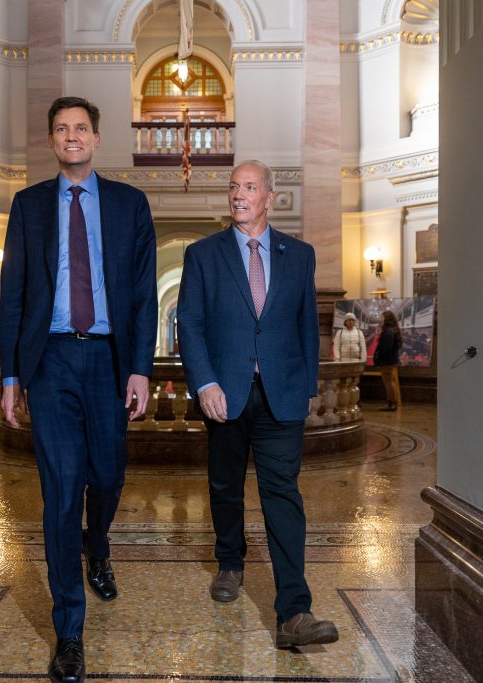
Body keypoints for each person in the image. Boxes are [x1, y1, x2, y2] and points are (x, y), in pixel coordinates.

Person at [0, 96, 157, 683]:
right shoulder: (28, 205)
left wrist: (140, 368)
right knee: (62, 490)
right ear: (51, 140)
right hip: (52, 361)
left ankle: (98, 542)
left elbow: (144, 296)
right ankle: (70, 630)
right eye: (62, 129)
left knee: (108, 476)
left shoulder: (129, 204)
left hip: (111, 361)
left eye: (81, 128)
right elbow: (12, 293)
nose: (72, 136)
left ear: (96, 138)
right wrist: (10, 376)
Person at [176, 160, 339, 649]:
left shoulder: (300, 255)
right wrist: (204, 383)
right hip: (224, 393)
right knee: (225, 485)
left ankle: (295, 609)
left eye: (249, 187)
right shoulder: (203, 255)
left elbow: (306, 326)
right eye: (233, 187)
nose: (238, 194)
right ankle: (230, 561)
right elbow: (191, 323)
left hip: (280, 395)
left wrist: (305, 386)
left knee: (282, 494)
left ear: (270, 197)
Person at [372, 310, 402, 410]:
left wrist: (378, 356)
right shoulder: (391, 330)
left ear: (387, 319)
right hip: (389, 361)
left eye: (382, 317)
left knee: (388, 382)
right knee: (389, 382)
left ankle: (392, 403)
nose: (380, 319)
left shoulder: (388, 331)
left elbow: (385, 348)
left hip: (387, 361)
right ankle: (391, 403)